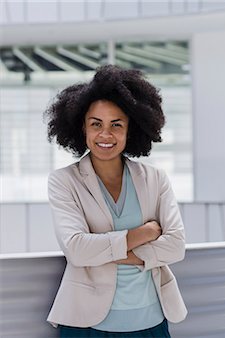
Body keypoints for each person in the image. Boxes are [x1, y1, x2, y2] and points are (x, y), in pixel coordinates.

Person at [44, 65, 187, 338]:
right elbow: (77, 249)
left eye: (116, 125)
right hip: (88, 324)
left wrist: (116, 253)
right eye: (96, 124)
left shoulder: (155, 179)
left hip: (151, 319)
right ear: (82, 128)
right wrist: (144, 233)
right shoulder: (64, 181)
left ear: (131, 129)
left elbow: (176, 245)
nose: (105, 135)